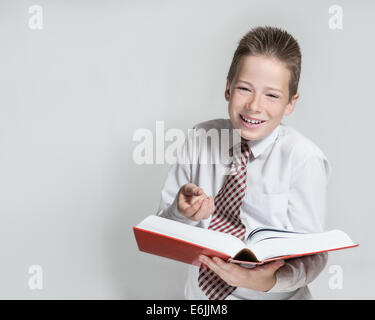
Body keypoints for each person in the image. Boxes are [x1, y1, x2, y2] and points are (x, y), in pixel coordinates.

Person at [156, 26, 330, 300]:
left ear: (290, 103)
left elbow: (314, 256)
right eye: (244, 89)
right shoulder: (201, 138)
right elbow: (162, 229)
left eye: (271, 95)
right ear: (228, 88)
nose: (254, 106)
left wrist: (266, 280)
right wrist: (181, 213)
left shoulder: (303, 158)